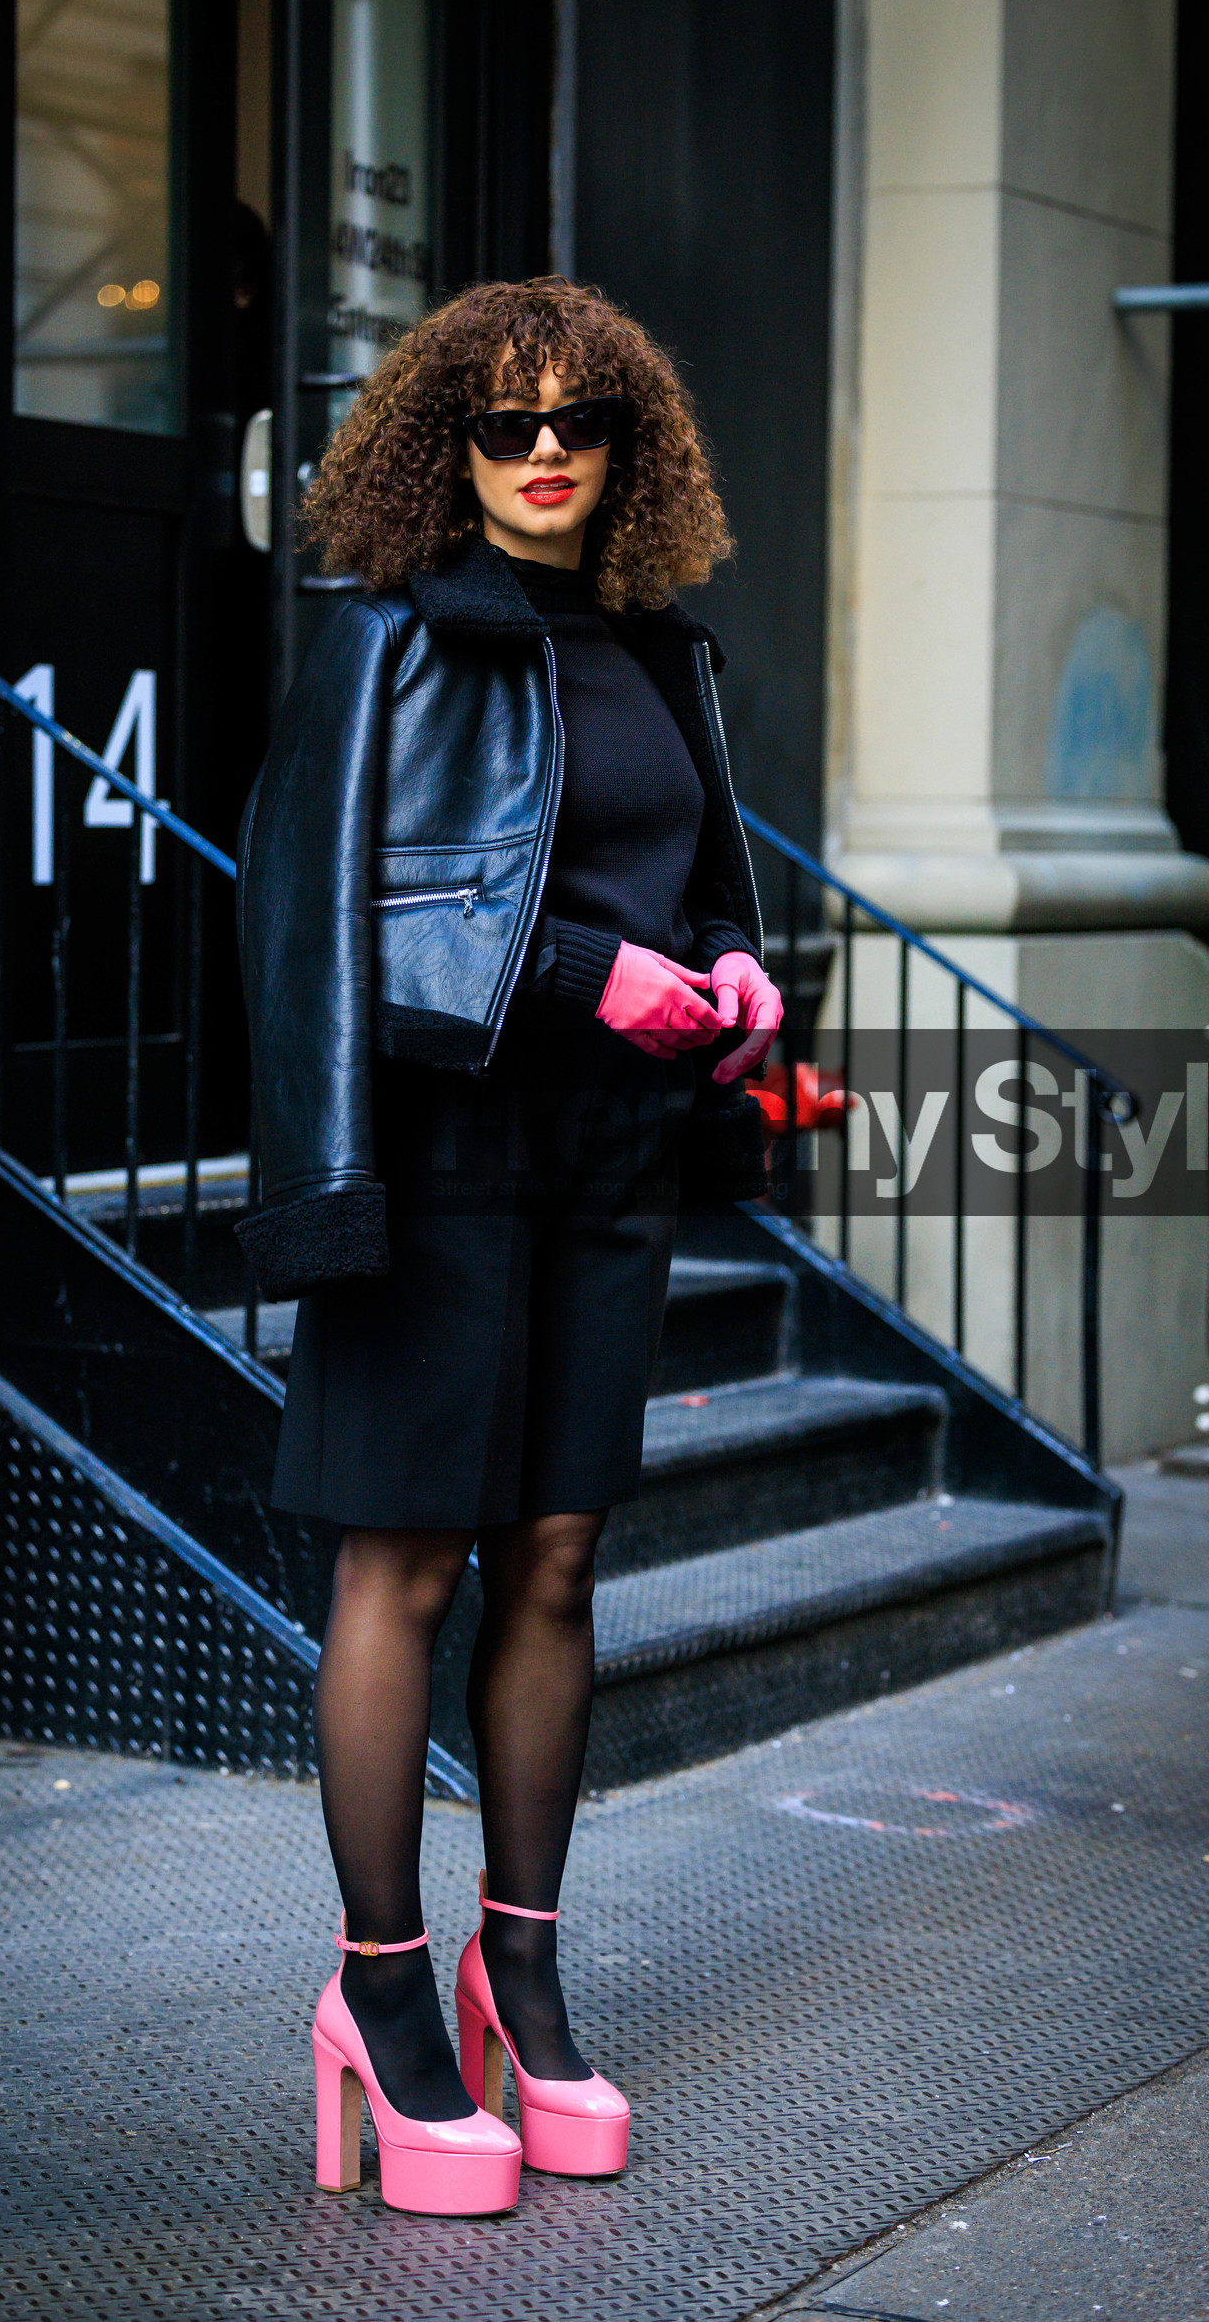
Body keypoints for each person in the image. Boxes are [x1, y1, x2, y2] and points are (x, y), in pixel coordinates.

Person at [236, 276, 783, 2216]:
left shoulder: (660, 651)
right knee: (403, 1562)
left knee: (556, 1557)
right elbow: (313, 911)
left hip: (609, 1159)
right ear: (442, 447)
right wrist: (579, 977)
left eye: (580, 423)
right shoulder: (388, 640)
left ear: (631, 448)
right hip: (441, 1154)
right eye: (503, 424)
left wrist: (731, 972)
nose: (545, 453)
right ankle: (382, 1993)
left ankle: (520, 1976)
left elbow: (693, 884)